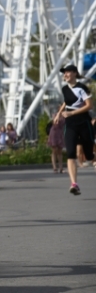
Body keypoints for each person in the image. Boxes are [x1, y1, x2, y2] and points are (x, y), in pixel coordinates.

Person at [53, 64, 95, 195]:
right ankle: (74, 184)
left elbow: (89, 105)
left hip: (84, 122)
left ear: (75, 73)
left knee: (89, 154)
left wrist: (72, 113)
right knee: (70, 153)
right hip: (70, 124)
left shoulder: (83, 88)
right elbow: (67, 102)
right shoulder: (65, 89)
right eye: (64, 73)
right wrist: (59, 113)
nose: (65, 75)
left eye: (67, 72)